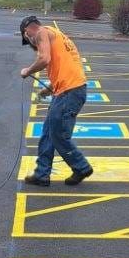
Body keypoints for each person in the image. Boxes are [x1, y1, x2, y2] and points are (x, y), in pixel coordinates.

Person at [18, 15, 93, 186]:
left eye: (27, 39)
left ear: (27, 30)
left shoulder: (41, 32)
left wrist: (27, 71)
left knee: (59, 135)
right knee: (48, 133)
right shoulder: (56, 34)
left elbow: (44, 59)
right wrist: (47, 90)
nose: (31, 44)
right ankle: (42, 174)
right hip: (70, 90)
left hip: (70, 92)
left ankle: (81, 167)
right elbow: (65, 69)